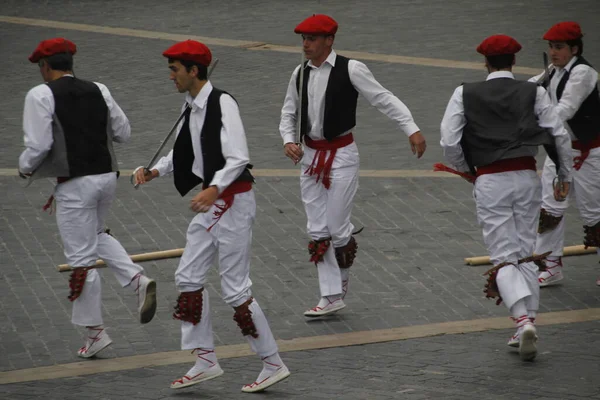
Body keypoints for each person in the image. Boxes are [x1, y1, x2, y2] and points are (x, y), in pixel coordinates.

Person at [132, 40, 290, 393]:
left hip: (232, 203)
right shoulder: (191, 105)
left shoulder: (223, 103)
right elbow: (184, 149)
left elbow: (238, 157)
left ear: (194, 70)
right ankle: (205, 360)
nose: (170, 76)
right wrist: (155, 171)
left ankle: (272, 362)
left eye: (174, 70)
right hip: (216, 205)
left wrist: (214, 188)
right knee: (187, 277)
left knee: (235, 288)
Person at [279, 14, 427, 317]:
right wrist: (288, 141)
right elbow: (288, 112)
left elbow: (383, 98)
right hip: (310, 156)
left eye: (312, 39)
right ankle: (331, 295)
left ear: (329, 41)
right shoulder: (300, 73)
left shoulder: (352, 69)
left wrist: (410, 127)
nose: (305, 44)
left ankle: (342, 272)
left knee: (336, 227)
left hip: (343, 156)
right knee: (316, 228)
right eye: (303, 39)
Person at [18, 38, 157, 359]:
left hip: (74, 182)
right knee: (95, 235)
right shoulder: (99, 89)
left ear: (45, 66)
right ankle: (137, 281)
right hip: (107, 176)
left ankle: (95, 333)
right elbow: (123, 132)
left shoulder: (39, 95)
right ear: (71, 63)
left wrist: (25, 169)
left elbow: (37, 147)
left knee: (81, 260)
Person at [440, 34, 573, 361]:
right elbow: (558, 134)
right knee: (526, 250)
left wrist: (466, 169)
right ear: (513, 62)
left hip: (490, 178)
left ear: (485, 62)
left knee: (503, 255)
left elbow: (448, 140)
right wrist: (564, 174)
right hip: (526, 175)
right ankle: (526, 322)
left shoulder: (464, 92)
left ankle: (523, 320)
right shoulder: (534, 91)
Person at [530, 22, 600, 287]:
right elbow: (530, 87)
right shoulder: (553, 70)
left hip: (587, 155)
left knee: (594, 213)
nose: (553, 52)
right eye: (550, 46)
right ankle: (550, 265)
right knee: (550, 210)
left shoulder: (583, 73)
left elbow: (564, 110)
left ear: (574, 48)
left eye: (558, 47)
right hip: (560, 153)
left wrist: (533, 126)